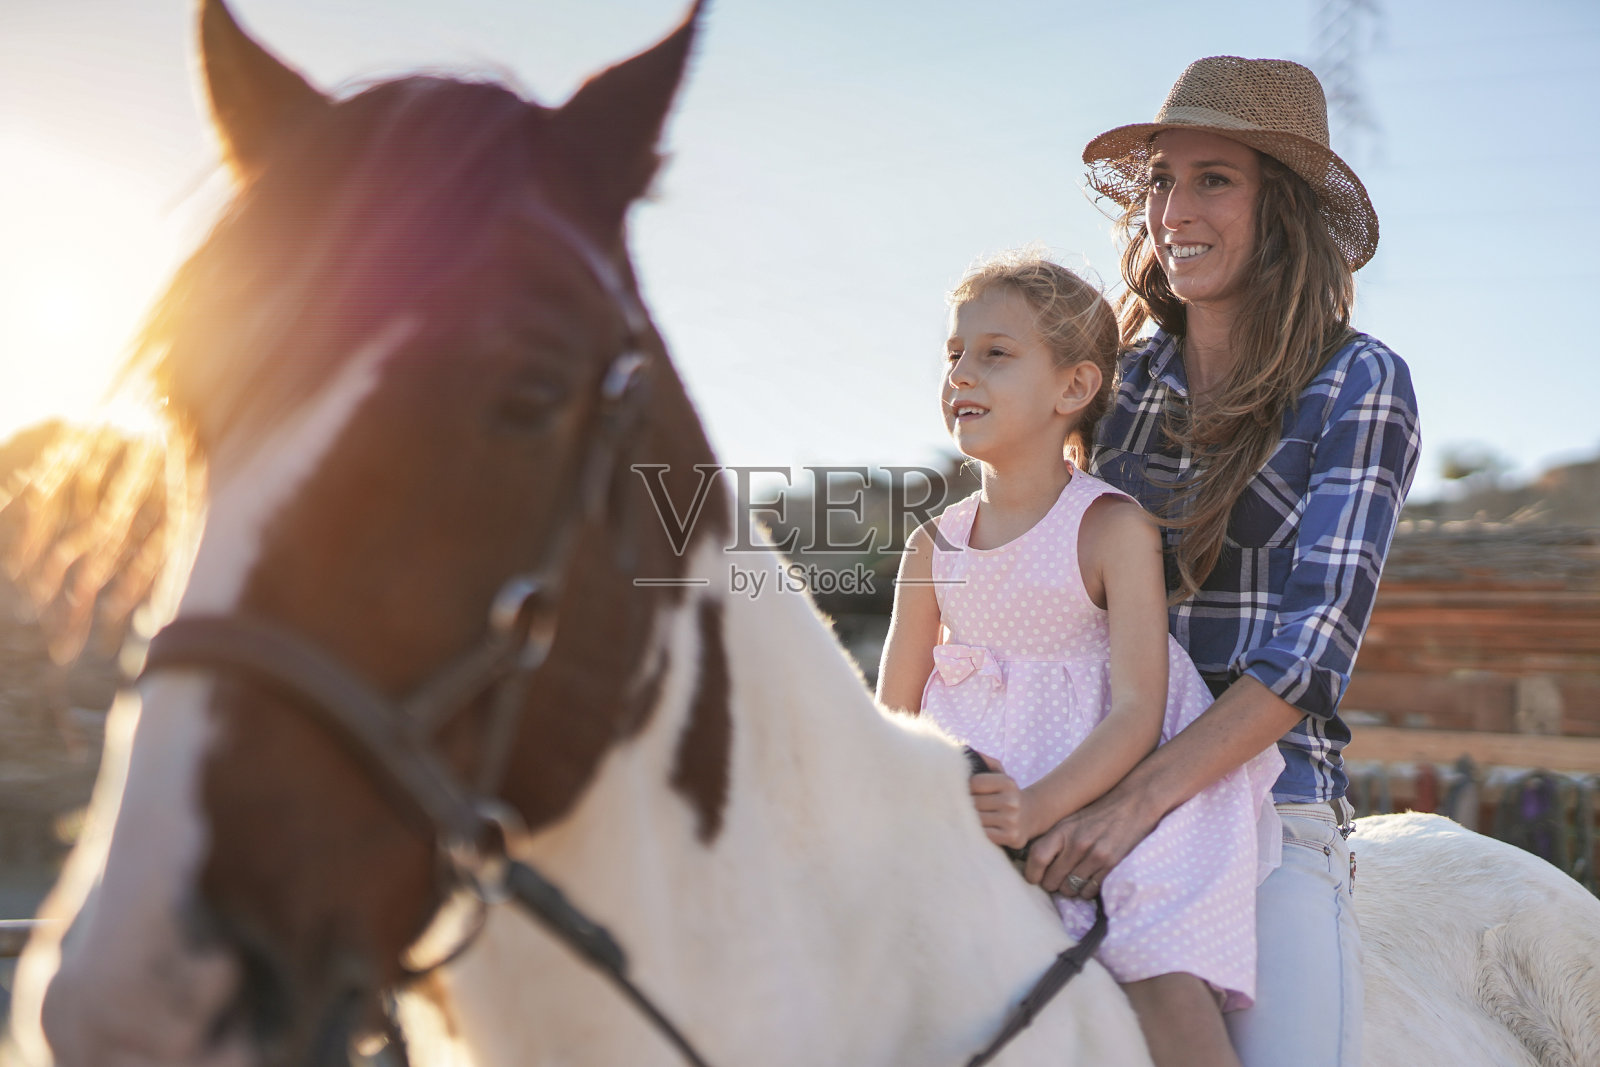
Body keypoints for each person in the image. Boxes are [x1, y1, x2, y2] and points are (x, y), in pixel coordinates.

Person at [1025, 57, 1422, 1067]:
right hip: (1093, 780)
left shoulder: (1358, 382)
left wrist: (1134, 802)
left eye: (1213, 179)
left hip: (1269, 802)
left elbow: (1304, 657)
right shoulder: (1118, 384)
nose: (1172, 208)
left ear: (1279, 207)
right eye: (1161, 178)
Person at [876, 251, 1282, 1067]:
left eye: (996, 352)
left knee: (1158, 968)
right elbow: (891, 713)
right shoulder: (932, 547)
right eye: (955, 353)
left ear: (1072, 389)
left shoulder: (1109, 530)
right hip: (983, 805)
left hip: (1118, 791)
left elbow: (1138, 709)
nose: (962, 371)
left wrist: (1040, 807)